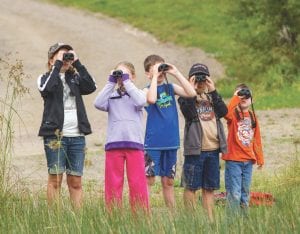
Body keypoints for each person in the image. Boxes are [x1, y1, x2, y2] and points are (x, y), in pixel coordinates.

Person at [37, 42, 97, 209]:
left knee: (76, 181)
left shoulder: (76, 78)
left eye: (67, 55)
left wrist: (77, 63)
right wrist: (57, 66)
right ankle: (54, 217)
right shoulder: (44, 78)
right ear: (51, 60)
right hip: (55, 136)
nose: (65, 59)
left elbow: (91, 86)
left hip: (77, 136)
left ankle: (77, 220)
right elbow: (46, 89)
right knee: (55, 179)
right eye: (61, 56)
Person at [94, 61, 149, 212]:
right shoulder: (111, 96)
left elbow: (142, 101)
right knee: (113, 183)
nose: (121, 78)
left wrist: (127, 82)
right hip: (114, 144)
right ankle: (113, 216)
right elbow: (98, 103)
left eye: (125, 74)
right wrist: (111, 82)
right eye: (119, 74)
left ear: (133, 77)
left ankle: (141, 217)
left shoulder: (138, 93)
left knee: (137, 183)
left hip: (134, 144)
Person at [143, 54, 196, 209]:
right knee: (149, 180)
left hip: (171, 142)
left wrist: (175, 72)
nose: (161, 73)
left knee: (169, 181)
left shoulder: (170, 88)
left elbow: (191, 93)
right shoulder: (145, 90)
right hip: (153, 143)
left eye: (162, 69)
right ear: (147, 73)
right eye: (157, 69)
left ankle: (172, 216)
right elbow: (152, 99)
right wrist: (154, 78)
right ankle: (145, 215)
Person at [178, 63, 228, 222]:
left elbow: (224, 112)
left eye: (203, 78)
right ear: (189, 80)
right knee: (191, 186)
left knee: (209, 188)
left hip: (213, 150)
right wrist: (190, 88)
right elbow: (189, 112)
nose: (200, 81)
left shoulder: (211, 97)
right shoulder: (185, 99)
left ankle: (210, 221)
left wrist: (213, 90)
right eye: (197, 78)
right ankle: (191, 221)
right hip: (195, 151)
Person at [222, 83, 264, 215]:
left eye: (246, 95)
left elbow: (256, 139)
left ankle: (244, 222)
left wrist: (260, 158)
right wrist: (236, 96)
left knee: (245, 193)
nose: (243, 97)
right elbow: (226, 113)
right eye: (241, 96)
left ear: (252, 100)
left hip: (248, 161)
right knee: (235, 193)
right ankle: (233, 222)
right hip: (234, 160)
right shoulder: (233, 115)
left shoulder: (253, 117)